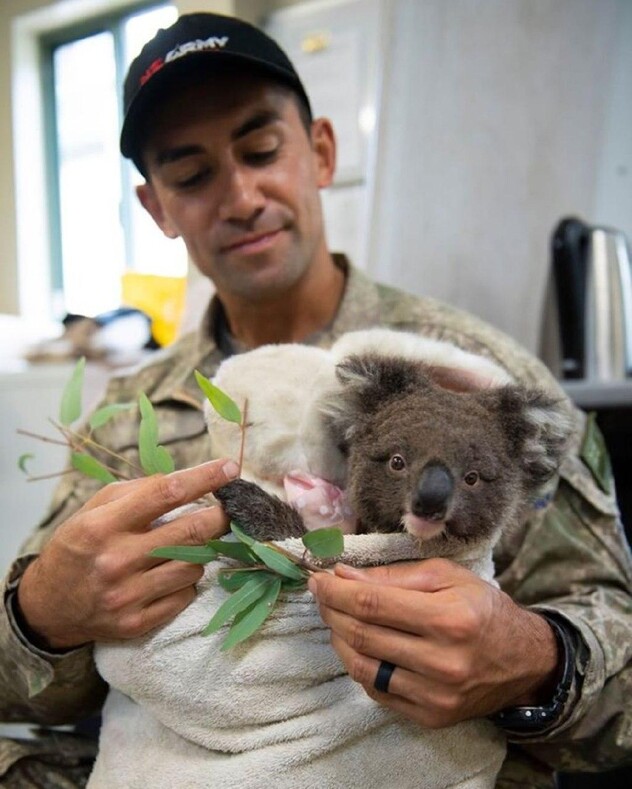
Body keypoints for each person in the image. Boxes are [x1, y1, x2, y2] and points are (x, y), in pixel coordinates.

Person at [0, 11, 630, 788]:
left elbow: (620, 665)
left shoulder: (479, 382)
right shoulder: (125, 419)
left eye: (261, 150)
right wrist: (42, 618)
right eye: (192, 175)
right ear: (157, 207)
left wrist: (537, 662)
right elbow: (28, 684)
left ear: (322, 151)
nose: (240, 195)